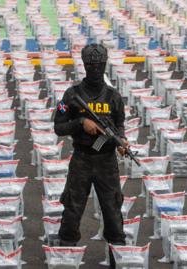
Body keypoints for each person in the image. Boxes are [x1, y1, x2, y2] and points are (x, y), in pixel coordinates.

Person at [53, 43, 128, 268]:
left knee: (113, 212)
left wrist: (122, 141)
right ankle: (66, 260)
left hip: (106, 161)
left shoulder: (114, 97)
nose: (95, 69)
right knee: (72, 210)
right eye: (91, 65)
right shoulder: (72, 95)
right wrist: (80, 123)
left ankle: (119, 260)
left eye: (99, 65)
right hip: (82, 160)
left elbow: (120, 125)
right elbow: (59, 126)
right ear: (85, 66)